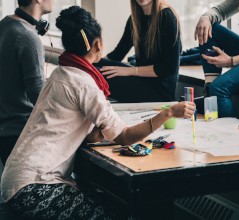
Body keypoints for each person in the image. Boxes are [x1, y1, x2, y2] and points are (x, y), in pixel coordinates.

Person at [0, 6, 195, 219]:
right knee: (115, 211)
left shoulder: (60, 73)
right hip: (34, 187)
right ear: (98, 44)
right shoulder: (84, 84)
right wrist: (167, 114)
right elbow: (124, 137)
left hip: (14, 179)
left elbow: (75, 129)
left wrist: (99, 131)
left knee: (108, 199)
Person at [0, 0, 53, 165]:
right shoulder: (28, 37)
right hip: (21, 134)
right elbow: (38, 95)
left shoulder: (5, 24)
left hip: (5, 131)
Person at [97, 0, 181, 103]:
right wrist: (93, 60)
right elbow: (117, 54)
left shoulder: (167, 17)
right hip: (141, 79)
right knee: (92, 64)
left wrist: (129, 71)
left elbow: (169, 67)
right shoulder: (134, 19)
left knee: (97, 74)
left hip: (160, 91)